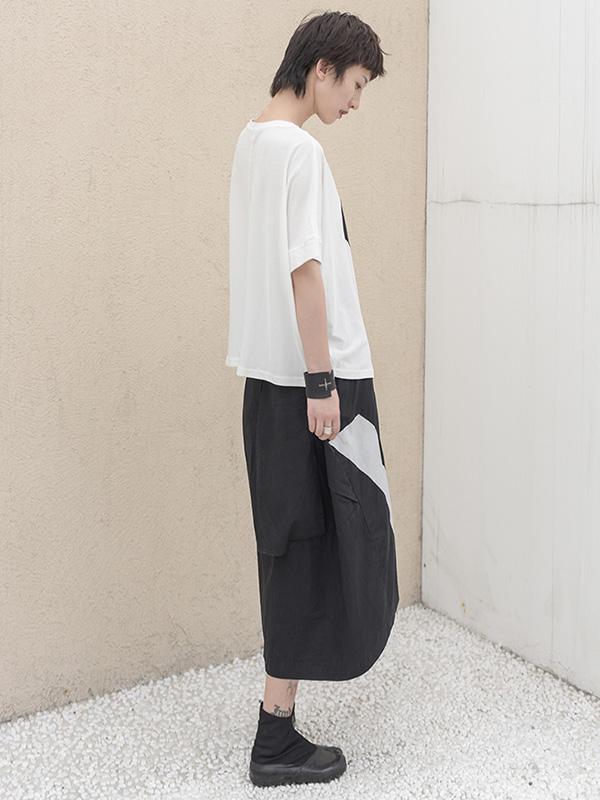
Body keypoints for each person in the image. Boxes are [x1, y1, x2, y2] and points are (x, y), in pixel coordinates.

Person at [225, 10, 400, 788]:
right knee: (352, 540)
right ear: (322, 67)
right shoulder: (302, 152)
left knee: (291, 548)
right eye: (355, 85)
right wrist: (325, 382)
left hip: (269, 385)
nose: (355, 103)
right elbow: (306, 270)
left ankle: (277, 727)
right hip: (316, 384)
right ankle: (274, 739)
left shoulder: (252, 140)